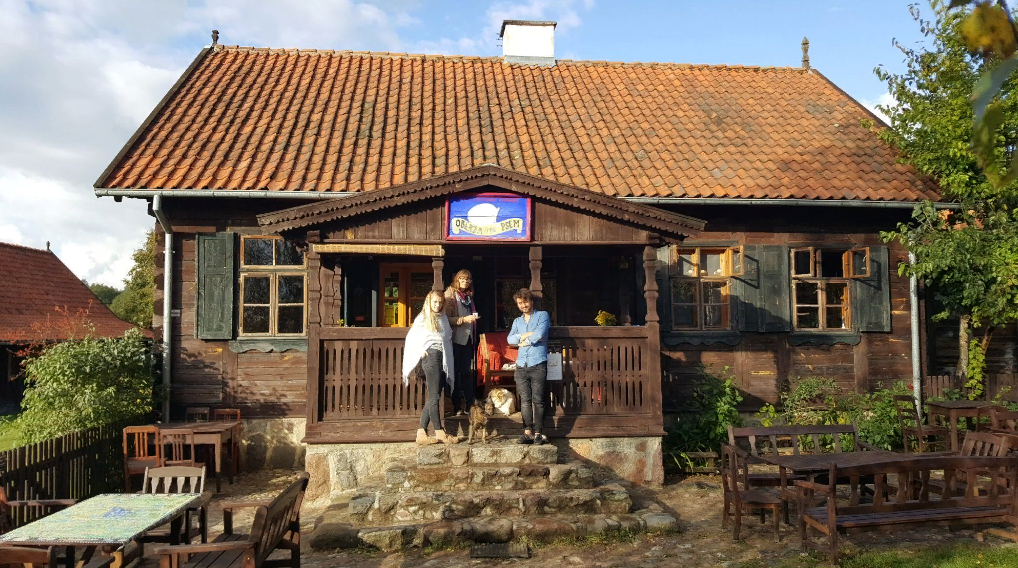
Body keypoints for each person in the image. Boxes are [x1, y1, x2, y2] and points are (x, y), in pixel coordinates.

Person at [402, 290, 459, 445]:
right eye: (435, 302)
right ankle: (440, 432)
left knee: (434, 395)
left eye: (440, 302)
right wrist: (420, 351)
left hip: (441, 356)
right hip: (431, 356)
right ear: (429, 301)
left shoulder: (443, 318)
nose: (437, 305)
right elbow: (412, 337)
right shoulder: (423, 318)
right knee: (435, 397)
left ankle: (421, 432)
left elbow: (446, 338)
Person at [506, 287, 551, 445]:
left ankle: (538, 433)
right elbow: (510, 340)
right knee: (525, 400)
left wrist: (521, 341)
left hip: (537, 363)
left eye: (525, 302)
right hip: (521, 365)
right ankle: (527, 432)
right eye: (520, 303)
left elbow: (539, 335)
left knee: (538, 400)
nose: (523, 305)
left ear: (531, 301)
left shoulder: (542, 316)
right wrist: (525, 336)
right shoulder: (517, 321)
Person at [444, 269, 480, 416]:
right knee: (454, 372)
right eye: (462, 279)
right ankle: (456, 405)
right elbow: (446, 318)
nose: (465, 282)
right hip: (454, 339)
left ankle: (470, 404)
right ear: (457, 280)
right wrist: (464, 319)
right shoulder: (450, 295)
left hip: (467, 339)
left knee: (466, 372)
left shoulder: (468, 296)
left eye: (468, 279)